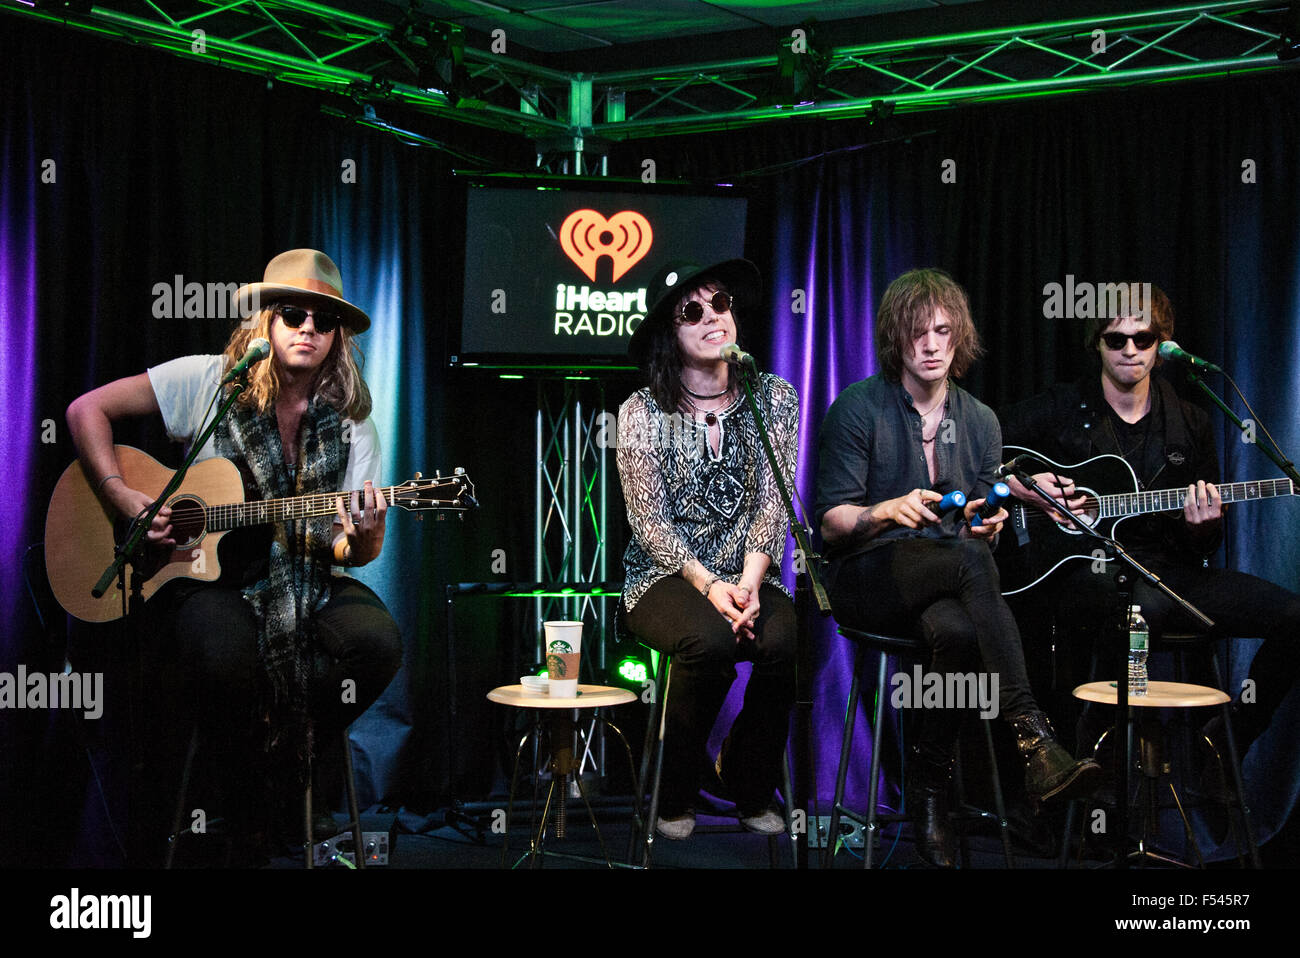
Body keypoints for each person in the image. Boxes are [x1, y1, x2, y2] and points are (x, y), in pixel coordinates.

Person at [66, 249, 402, 857]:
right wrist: (120, 494)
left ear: (337, 337)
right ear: (265, 320)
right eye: (293, 314)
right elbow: (85, 409)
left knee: (377, 642)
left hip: (303, 574)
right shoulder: (209, 381)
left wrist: (367, 538)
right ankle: (260, 804)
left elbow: (346, 547)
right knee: (227, 659)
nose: (308, 328)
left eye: (324, 320)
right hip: (202, 577)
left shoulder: (353, 424)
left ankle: (280, 772)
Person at [815, 267, 1099, 868]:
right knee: (966, 564)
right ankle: (1034, 738)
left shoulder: (981, 420)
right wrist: (883, 511)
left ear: (958, 337)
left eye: (942, 331)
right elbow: (831, 524)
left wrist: (985, 525)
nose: (931, 345)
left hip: (947, 575)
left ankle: (928, 786)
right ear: (896, 338)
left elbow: (974, 528)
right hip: (866, 577)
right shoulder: (857, 408)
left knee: (963, 630)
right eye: (917, 332)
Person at [999, 285, 1300, 790]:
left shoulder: (1190, 421)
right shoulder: (1063, 407)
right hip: (1084, 571)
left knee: (1294, 617)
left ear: (1162, 345)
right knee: (1140, 608)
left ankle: (1228, 736)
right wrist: (1019, 486)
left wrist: (1203, 525)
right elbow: (984, 443)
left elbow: (1203, 546)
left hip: (1170, 573)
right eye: (1116, 339)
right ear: (1097, 343)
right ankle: (1098, 767)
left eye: (1143, 338)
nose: (1130, 350)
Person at [617, 259, 798, 839]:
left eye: (719, 304)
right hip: (665, 576)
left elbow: (772, 504)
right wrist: (710, 586)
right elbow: (648, 521)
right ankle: (675, 788)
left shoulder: (775, 397)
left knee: (784, 639)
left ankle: (747, 776)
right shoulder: (641, 411)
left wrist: (748, 583)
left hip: (748, 572)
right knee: (710, 640)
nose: (712, 318)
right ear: (669, 333)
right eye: (691, 312)